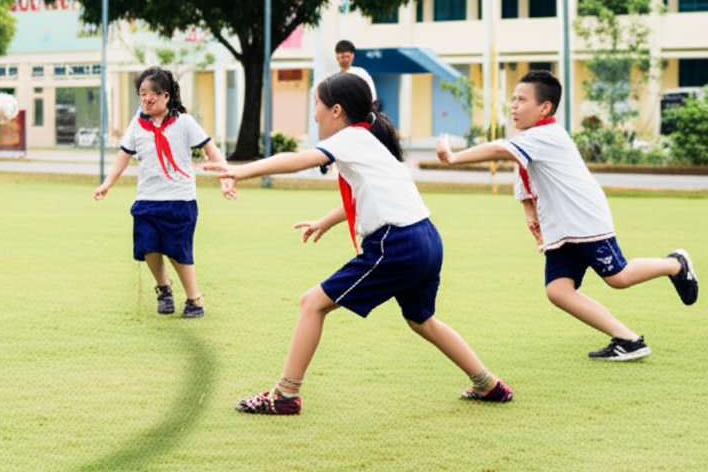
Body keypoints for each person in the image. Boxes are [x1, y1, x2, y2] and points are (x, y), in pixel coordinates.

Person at [206, 72, 513, 415]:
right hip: (426, 237)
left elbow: (299, 159)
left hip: (397, 244)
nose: (315, 114)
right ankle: (489, 385)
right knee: (421, 321)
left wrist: (238, 171)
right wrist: (325, 221)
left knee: (312, 303)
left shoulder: (351, 138)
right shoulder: (369, 141)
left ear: (337, 110)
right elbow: (368, 197)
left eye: (317, 105)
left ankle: (285, 396)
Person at [436, 70, 698, 361]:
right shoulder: (531, 139)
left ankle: (675, 264)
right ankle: (628, 340)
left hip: (584, 220)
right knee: (558, 291)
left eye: (521, 100)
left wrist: (455, 156)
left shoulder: (547, 135)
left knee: (618, 277)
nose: (513, 105)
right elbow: (526, 174)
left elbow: (501, 150)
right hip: (561, 227)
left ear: (544, 108)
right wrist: (530, 213)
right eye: (513, 99)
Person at [94, 66, 229, 318]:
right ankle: (164, 289)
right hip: (147, 199)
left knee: (179, 251)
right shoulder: (137, 125)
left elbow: (211, 149)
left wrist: (226, 177)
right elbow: (123, 157)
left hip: (180, 200)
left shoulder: (184, 122)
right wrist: (106, 183)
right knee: (148, 247)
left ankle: (194, 300)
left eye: (153, 93)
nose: (147, 98)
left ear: (166, 96)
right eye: (142, 93)